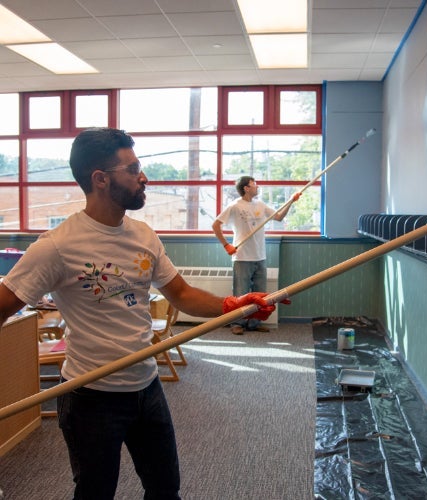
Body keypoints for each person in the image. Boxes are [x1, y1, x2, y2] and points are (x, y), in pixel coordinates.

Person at [0, 128, 277, 500]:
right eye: (133, 169)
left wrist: (236, 304)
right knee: (95, 493)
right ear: (101, 179)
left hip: (146, 387)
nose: (144, 177)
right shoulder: (58, 246)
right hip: (91, 397)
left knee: (165, 490)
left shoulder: (144, 235)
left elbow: (181, 294)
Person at [212, 176, 300, 335]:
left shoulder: (260, 204)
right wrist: (226, 245)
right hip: (242, 257)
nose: (257, 187)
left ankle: (254, 323)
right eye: (254, 184)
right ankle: (237, 324)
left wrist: (291, 201)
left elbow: (279, 217)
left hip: (260, 256)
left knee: (260, 294)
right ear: (246, 188)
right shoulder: (235, 206)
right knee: (240, 294)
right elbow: (216, 225)